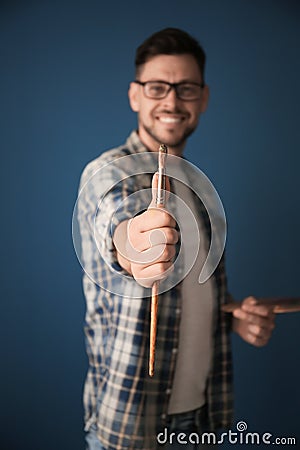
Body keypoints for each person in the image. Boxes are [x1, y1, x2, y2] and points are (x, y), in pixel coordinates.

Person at [77, 28, 275, 450]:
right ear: (135, 96)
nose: (170, 101)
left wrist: (233, 316)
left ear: (202, 98)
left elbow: (190, 297)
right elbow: (117, 221)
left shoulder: (201, 193)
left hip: (202, 418)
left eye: (185, 89)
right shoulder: (109, 173)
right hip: (130, 424)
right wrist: (133, 245)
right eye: (156, 88)